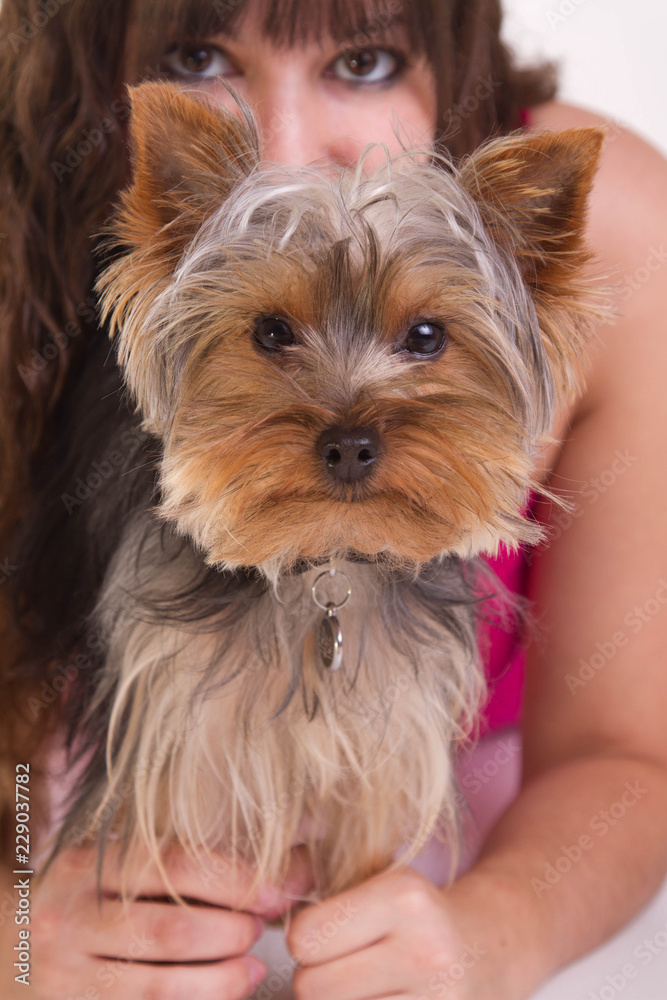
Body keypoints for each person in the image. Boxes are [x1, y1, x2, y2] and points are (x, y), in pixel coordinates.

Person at [1, 1, 667, 997]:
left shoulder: (613, 226)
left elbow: (629, 758)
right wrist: (10, 936)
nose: (285, 145)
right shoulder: (42, 223)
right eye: (197, 55)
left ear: (452, 54)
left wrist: (497, 932)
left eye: (362, 62)